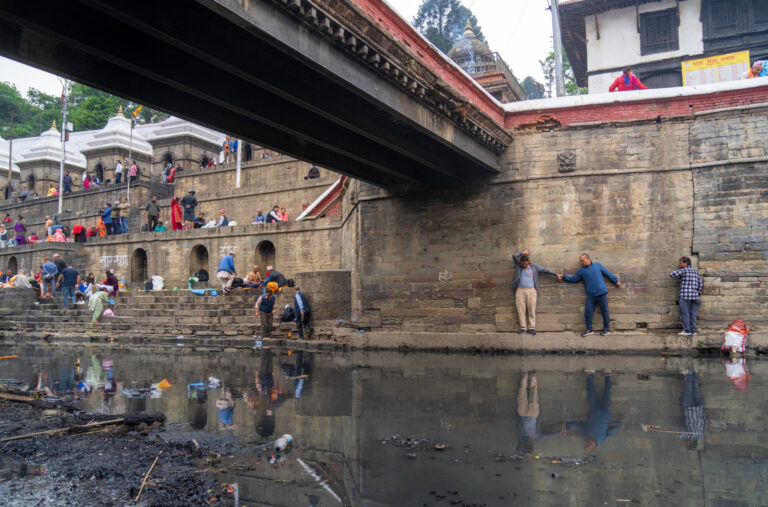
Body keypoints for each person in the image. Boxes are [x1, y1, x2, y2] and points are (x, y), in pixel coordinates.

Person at [559, 253, 622, 336]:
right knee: (588, 312)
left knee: (605, 312)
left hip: (601, 293)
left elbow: (607, 273)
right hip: (591, 295)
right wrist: (563, 276)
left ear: (587, 259)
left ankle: (606, 330)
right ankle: (590, 330)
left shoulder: (598, 265)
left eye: (582, 261)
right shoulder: (581, 271)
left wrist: (616, 281)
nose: (581, 262)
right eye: (580, 261)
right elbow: (573, 279)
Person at [563, 370, 620, 451]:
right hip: (605, 413)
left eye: (586, 444)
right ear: (594, 446)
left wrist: (567, 426)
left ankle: (590, 375)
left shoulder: (586, 433)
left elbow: (578, 425)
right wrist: (619, 424)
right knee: (607, 393)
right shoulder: (602, 439)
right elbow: (610, 431)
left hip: (594, 411)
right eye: (589, 445)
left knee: (590, 393)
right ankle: (607, 375)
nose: (588, 443)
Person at [513, 249, 558, 335]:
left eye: (525, 263)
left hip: (531, 290)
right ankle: (523, 328)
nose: (524, 265)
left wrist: (555, 274)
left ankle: (532, 328)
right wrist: (522, 253)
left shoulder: (533, 266)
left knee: (531, 309)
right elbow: (514, 256)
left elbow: (545, 270)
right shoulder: (518, 266)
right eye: (522, 264)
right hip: (520, 290)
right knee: (521, 310)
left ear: (528, 261)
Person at [670, 256, 703, 336]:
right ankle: (693, 330)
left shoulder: (685, 270)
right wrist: (697, 293)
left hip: (685, 296)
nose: (680, 264)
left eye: (681, 263)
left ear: (686, 263)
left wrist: (680, 274)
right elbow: (700, 285)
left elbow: (672, 274)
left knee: (685, 314)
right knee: (693, 315)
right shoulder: (695, 272)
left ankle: (687, 331)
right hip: (695, 297)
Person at [678, 369, 706, 449]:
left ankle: (694, 374)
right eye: (687, 443)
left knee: (696, 390)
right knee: (688, 391)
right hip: (690, 409)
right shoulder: (691, 434)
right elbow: (679, 432)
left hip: (700, 408)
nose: (686, 441)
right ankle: (688, 374)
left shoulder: (701, 432)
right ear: (691, 442)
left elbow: (705, 420)